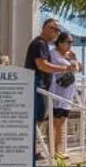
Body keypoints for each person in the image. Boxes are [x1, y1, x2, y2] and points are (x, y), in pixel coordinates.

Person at [24, 17, 75, 159]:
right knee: (37, 118)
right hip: (36, 84)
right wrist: (65, 68)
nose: (57, 33)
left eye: (58, 30)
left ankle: (33, 150)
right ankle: (31, 151)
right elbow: (42, 65)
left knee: (39, 117)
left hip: (41, 85)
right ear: (47, 28)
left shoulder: (44, 45)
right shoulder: (39, 44)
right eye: (55, 29)